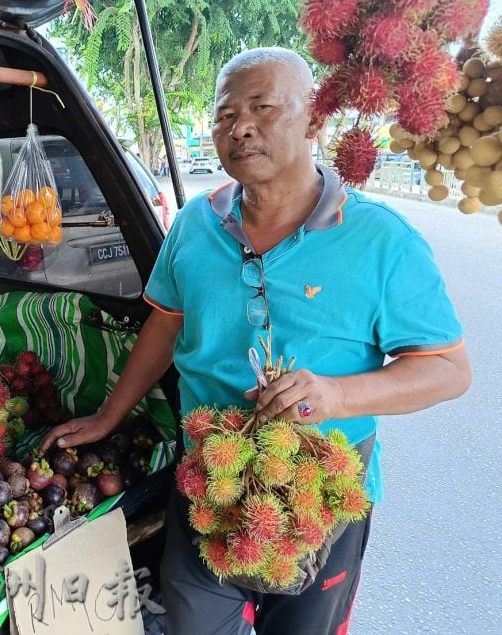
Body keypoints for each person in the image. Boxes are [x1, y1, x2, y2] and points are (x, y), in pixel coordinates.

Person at [41, 47, 471, 635]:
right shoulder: (195, 225)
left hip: (323, 499)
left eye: (263, 107)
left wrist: (337, 397)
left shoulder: (382, 240)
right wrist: (111, 414)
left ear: (315, 120)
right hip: (208, 479)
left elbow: (449, 369)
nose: (239, 126)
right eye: (224, 115)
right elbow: (166, 324)